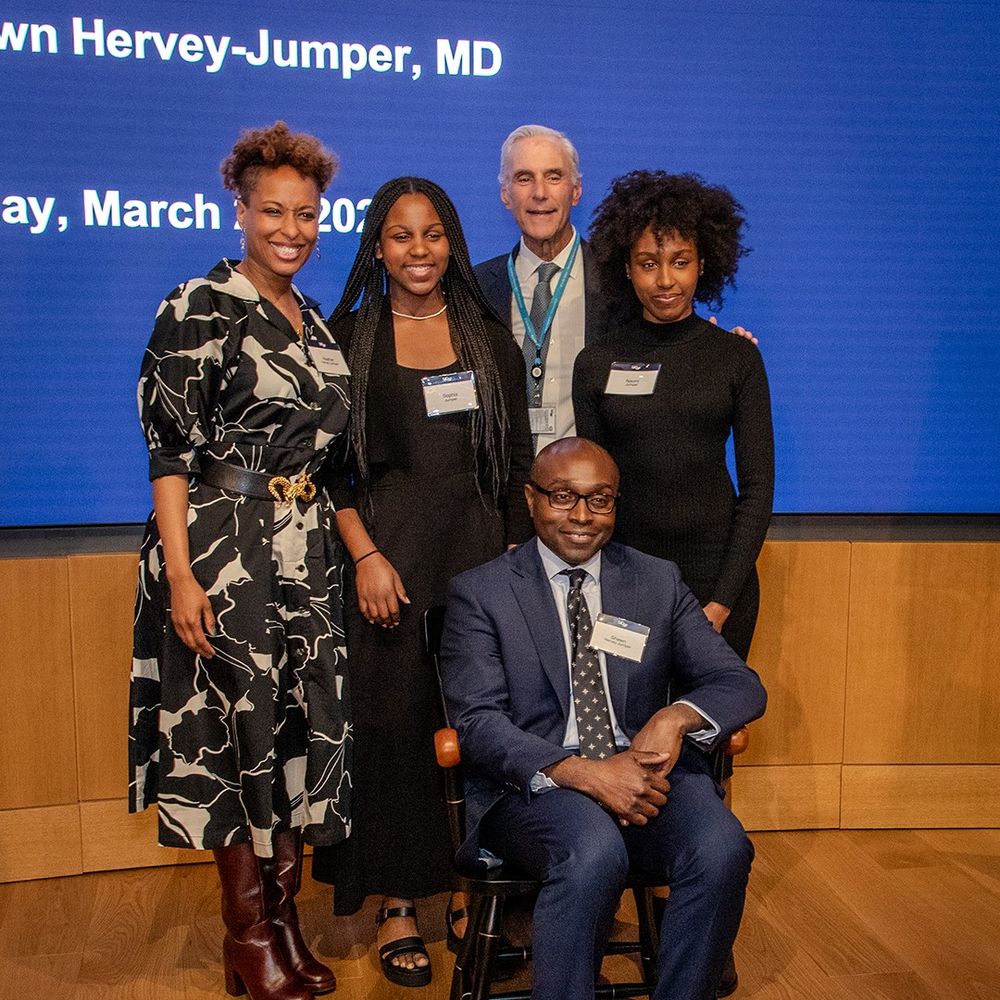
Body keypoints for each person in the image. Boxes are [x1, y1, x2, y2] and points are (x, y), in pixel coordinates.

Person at [129, 122, 348, 1000]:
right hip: (222, 551)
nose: (291, 229)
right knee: (228, 739)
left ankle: (283, 922)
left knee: (290, 733)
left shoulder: (315, 317)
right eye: (273, 211)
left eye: (306, 214)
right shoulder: (200, 303)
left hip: (305, 554)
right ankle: (248, 934)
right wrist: (182, 576)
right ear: (241, 210)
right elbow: (168, 454)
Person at [439, 437, 767, 1000]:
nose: (582, 516)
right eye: (563, 496)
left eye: (600, 499)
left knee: (722, 847)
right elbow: (478, 723)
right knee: (592, 849)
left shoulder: (656, 581)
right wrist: (586, 774)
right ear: (532, 499)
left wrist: (676, 716)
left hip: (646, 775)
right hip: (535, 786)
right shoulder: (482, 591)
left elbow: (738, 683)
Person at [310, 177, 533, 987]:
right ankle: (399, 902)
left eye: (432, 233)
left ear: (453, 243)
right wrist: (366, 557)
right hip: (386, 569)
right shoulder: (349, 339)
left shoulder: (488, 337)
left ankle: (475, 890)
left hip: (481, 566)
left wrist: (516, 561)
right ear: (377, 247)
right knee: (395, 731)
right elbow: (327, 471)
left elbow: (515, 464)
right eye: (401, 235)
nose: (418, 249)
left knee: (481, 730)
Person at [574, 170, 774, 664]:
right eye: (648, 263)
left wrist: (721, 601)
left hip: (718, 584)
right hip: (625, 581)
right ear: (626, 268)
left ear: (703, 263)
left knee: (709, 713)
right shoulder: (596, 363)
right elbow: (594, 495)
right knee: (630, 713)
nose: (665, 280)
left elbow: (757, 489)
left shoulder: (737, 358)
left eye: (680, 262)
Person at [475, 124, 755, 454]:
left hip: (600, 477)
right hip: (505, 478)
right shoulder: (477, 288)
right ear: (505, 194)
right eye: (524, 178)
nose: (540, 192)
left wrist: (715, 349)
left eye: (554, 177)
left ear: (576, 190)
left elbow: (673, 345)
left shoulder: (623, 279)